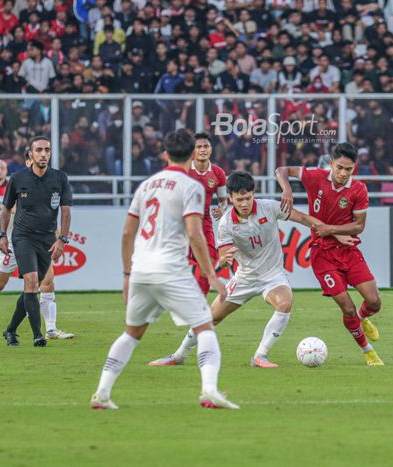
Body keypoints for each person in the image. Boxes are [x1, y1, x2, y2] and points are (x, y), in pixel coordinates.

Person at [90, 129, 238, 410]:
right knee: (206, 327)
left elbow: (126, 234)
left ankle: (102, 393)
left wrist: (126, 275)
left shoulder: (146, 185)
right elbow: (195, 235)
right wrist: (212, 275)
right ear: (193, 154)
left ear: (165, 155)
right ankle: (209, 390)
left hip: (141, 270)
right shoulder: (191, 186)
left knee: (132, 333)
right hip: (171, 269)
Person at [148, 171, 354, 369]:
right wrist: (226, 259)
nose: (244, 203)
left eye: (247, 198)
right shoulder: (226, 223)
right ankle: (179, 356)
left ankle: (260, 356)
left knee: (284, 303)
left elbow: (304, 219)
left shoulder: (270, 207)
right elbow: (223, 255)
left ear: (253, 194)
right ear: (230, 198)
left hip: (272, 276)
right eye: (239, 199)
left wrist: (333, 232)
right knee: (211, 317)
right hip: (245, 278)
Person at [276, 143, 385, 366]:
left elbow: (359, 226)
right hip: (322, 255)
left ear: (355, 168)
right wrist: (287, 189)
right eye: (339, 168)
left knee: (374, 301)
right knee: (347, 307)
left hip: (348, 250)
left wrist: (331, 229)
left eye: (348, 169)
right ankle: (368, 351)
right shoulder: (315, 176)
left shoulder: (359, 189)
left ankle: (361, 320)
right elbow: (282, 170)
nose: (343, 174)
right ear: (331, 164)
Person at [0, 158, 74, 341]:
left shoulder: (43, 185)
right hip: (14, 242)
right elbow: (8, 209)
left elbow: (47, 216)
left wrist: (59, 238)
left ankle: (50, 329)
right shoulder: (18, 182)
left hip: (37, 241)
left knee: (46, 282)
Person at [0, 136, 73, 347]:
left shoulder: (60, 178)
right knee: (31, 282)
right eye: (39, 150)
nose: (43, 154)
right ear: (30, 154)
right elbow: (6, 208)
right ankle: (37, 335)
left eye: (47, 150)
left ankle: (11, 330)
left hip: (47, 239)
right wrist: (2, 235)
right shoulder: (17, 178)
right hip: (23, 237)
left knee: (33, 288)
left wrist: (62, 240)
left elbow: (66, 212)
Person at [186, 132, 228, 294]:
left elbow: (223, 199)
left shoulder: (218, 173)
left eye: (206, 146)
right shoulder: (184, 170)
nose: (203, 150)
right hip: (182, 223)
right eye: (199, 147)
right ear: (193, 150)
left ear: (211, 149)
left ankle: (198, 304)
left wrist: (221, 208)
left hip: (204, 222)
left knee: (209, 263)